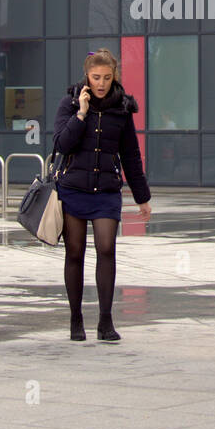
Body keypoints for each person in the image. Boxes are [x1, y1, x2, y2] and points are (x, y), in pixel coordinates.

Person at [52, 48, 152, 341]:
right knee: (75, 252)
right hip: (73, 189)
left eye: (107, 77)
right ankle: (75, 320)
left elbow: (131, 155)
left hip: (106, 190)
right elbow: (62, 145)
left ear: (113, 76)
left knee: (106, 249)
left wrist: (142, 196)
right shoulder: (70, 104)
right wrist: (81, 114)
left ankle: (106, 322)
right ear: (87, 76)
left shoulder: (121, 108)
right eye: (96, 77)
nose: (101, 83)